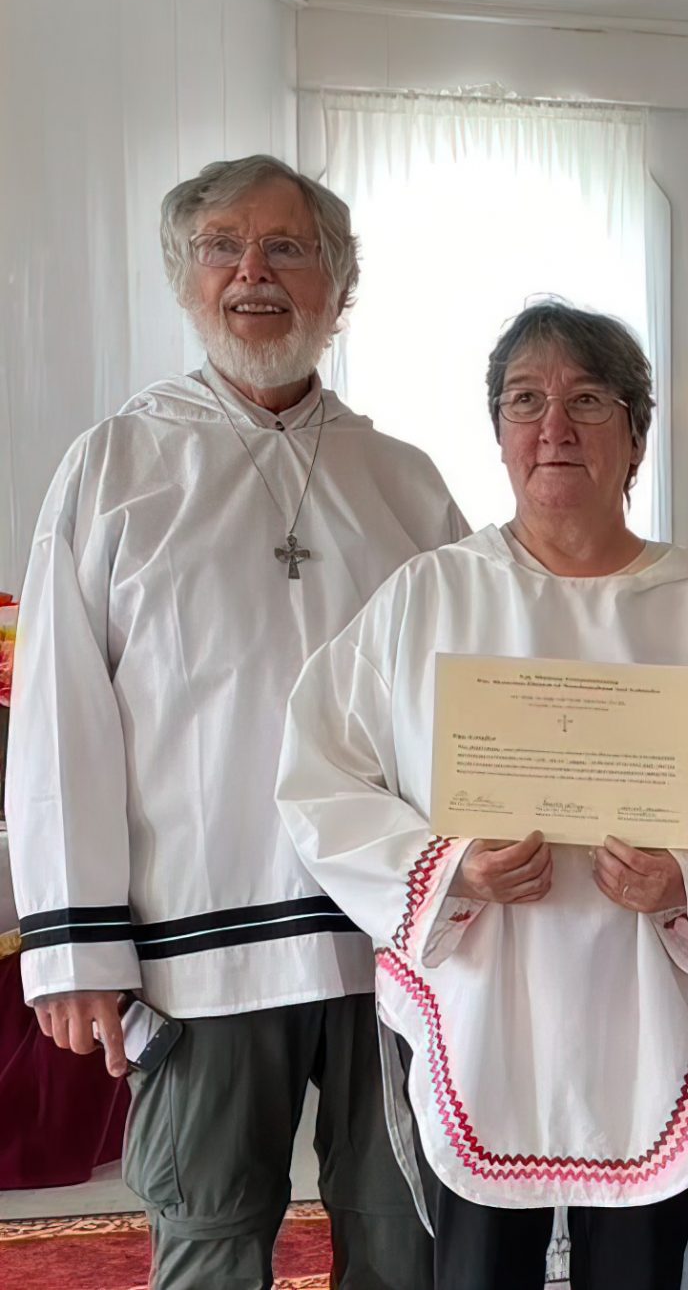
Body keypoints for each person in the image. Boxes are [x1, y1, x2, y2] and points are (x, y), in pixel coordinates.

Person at [7, 154, 461, 1289]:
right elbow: (60, 714)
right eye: (222, 247)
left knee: (406, 1242)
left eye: (289, 248)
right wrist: (73, 948)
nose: (253, 272)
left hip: (385, 944)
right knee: (209, 1245)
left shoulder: (404, 483)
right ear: (185, 279)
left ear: (340, 286)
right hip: (195, 944)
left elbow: (469, 710)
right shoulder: (114, 466)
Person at [276, 302, 688, 1290]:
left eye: (587, 399)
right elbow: (319, 770)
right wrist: (446, 865)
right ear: (498, 434)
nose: (554, 425)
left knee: (635, 1271)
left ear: (634, 434)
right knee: (474, 1273)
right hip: (480, 997)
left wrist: (687, 877)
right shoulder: (430, 597)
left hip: (640, 1000)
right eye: (525, 401)